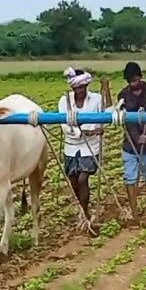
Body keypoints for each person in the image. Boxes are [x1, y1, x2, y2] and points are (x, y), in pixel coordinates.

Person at [117, 62, 146, 217]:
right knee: (130, 176)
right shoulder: (123, 95)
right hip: (130, 144)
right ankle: (134, 211)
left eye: (136, 80)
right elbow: (126, 120)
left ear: (140, 78)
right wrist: (137, 138)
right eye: (131, 82)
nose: (134, 84)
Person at [58, 67, 103, 220]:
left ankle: (85, 213)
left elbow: (102, 118)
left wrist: (97, 129)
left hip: (90, 147)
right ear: (72, 87)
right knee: (73, 181)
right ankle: (82, 207)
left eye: (82, 87)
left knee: (83, 178)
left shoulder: (97, 99)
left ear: (86, 86)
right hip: (71, 146)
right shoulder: (64, 101)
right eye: (77, 88)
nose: (80, 91)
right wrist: (80, 133)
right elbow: (64, 125)